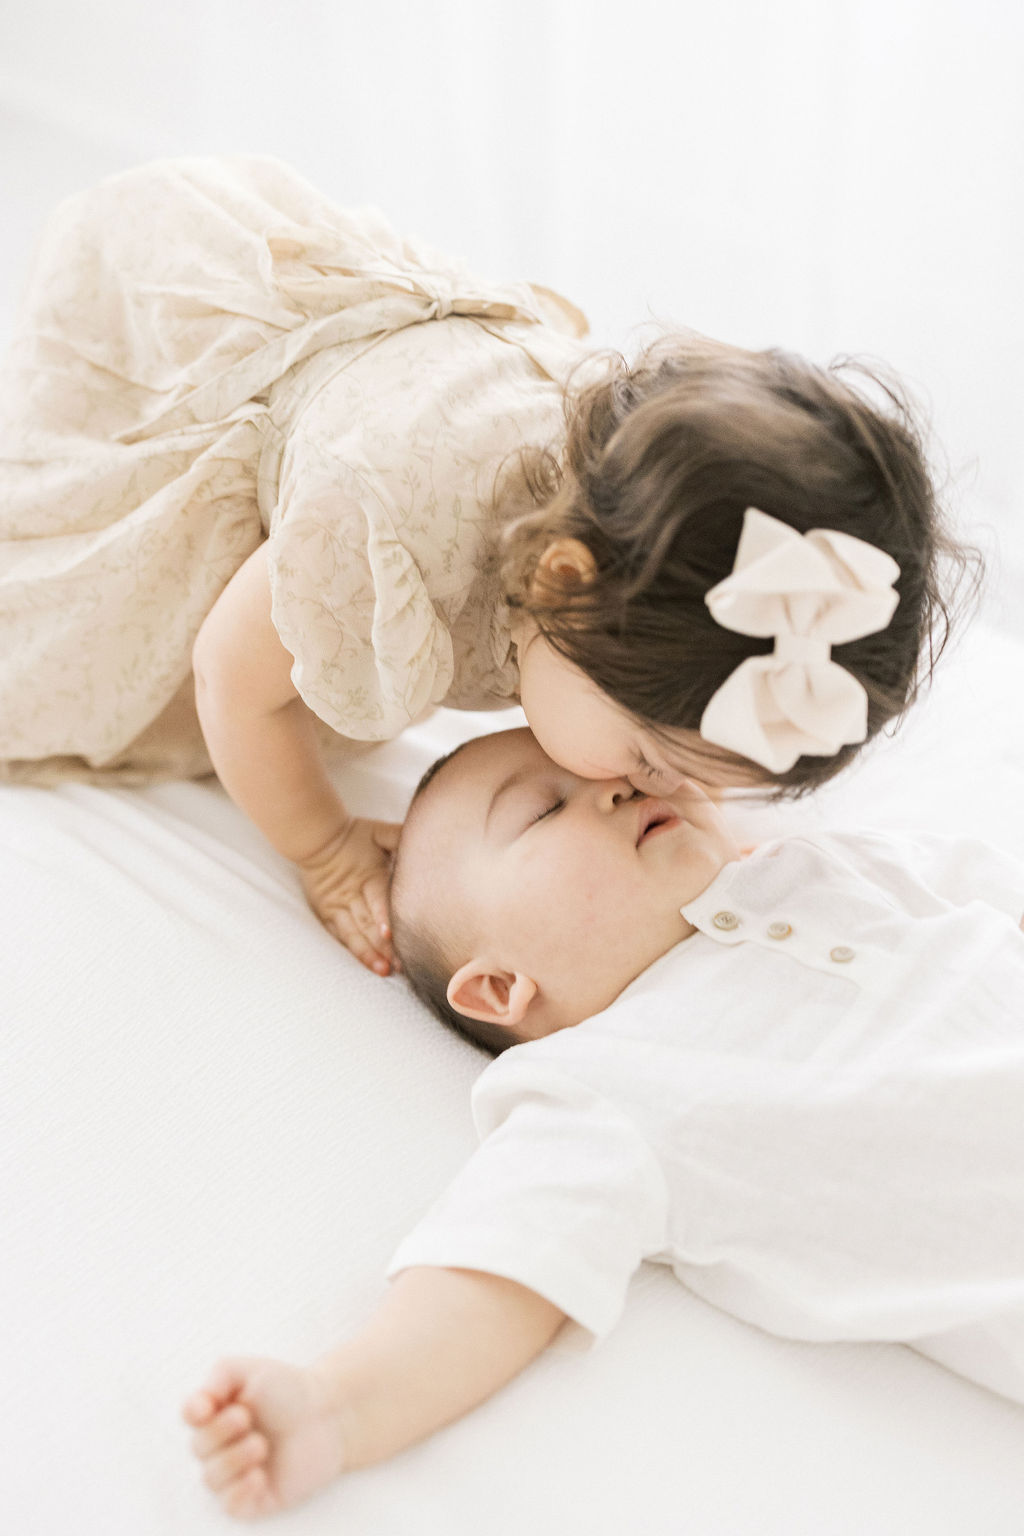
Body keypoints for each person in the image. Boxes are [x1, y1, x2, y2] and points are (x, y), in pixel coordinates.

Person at [0, 156, 973, 975]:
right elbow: (230, 675)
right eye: (649, 759)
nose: (659, 791)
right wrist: (328, 848)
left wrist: (689, 765)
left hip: (405, 402)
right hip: (212, 350)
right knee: (75, 650)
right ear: (558, 586)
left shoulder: (625, 551)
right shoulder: (374, 520)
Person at [183, 721, 1024, 1520]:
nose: (618, 789)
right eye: (544, 808)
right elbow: (495, 1272)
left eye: (627, 768)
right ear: (501, 986)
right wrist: (337, 1407)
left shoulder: (834, 864)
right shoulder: (602, 1085)